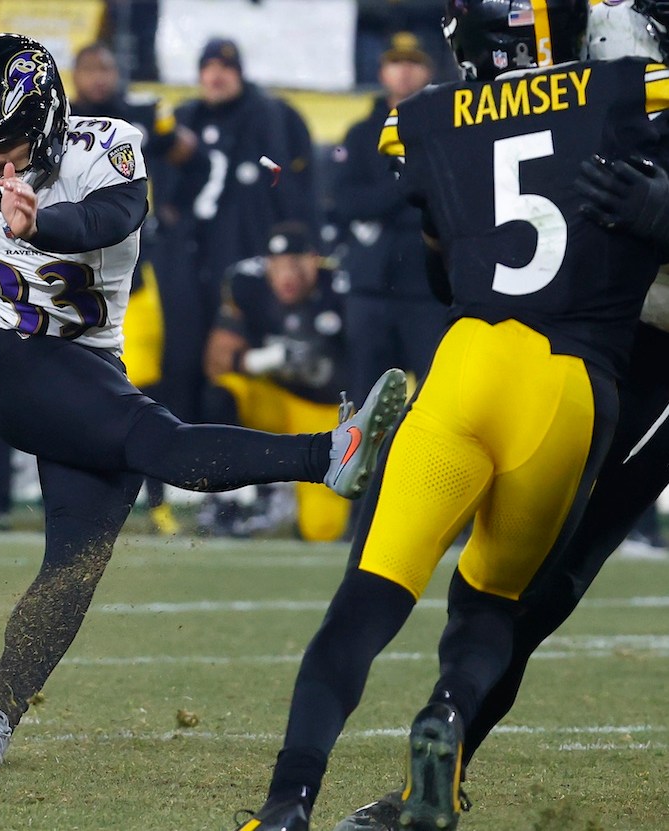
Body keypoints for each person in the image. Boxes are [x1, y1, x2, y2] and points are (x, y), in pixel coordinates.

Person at [0, 32, 408, 767]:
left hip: (90, 366)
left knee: (73, 565)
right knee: (153, 437)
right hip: (10, 361)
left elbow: (112, 217)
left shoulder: (105, 145)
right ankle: (327, 454)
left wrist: (39, 223)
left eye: (4, 145)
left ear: (48, 117)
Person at [236, 2, 669, 829]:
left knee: (491, 591)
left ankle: (302, 799)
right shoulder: (612, 90)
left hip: (592, 360)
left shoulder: (447, 114)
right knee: (501, 603)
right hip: (577, 374)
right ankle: (440, 747)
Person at [158, 38, 318, 465]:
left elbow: (288, 189)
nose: (216, 75)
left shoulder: (266, 115)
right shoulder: (185, 117)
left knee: (240, 363)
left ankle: (244, 472)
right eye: (208, 66)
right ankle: (178, 467)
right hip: (190, 264)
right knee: (183, 359)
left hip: (244, 264)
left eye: (225, 67)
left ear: (240, 73)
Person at [68, 41, 196, 534]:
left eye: (106, 67)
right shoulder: (58, 121)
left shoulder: (138, 116)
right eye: (89, 68)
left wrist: (172, 210)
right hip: (73, 277)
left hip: (132, 276)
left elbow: (192, 156)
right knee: (79, 393)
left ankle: (157, 499)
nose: (98, 78)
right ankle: (82, 501)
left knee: (144, 389)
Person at [200, 222, 350, 542]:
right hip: (276, 403)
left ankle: (289, 495)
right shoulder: (247, 284)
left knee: (323, 530)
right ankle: (228, 495)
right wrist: (262, 359)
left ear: (314, 261)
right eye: (278, 265)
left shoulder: (341, 288)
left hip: (329, 415)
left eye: (296, 264)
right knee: (222, 394)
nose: (287, 275)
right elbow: (216, 361)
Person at [332, 32, 447, 405]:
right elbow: (346, 202)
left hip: (427, 288)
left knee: (435, 397)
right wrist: (407, 189)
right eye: (396, 62)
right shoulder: (361, 133)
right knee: (366, 402)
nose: (404, 72)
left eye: (413, 62)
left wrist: (389, 196)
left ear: (429, 70)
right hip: (371, 287)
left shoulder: (446, 131)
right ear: (382, 71)